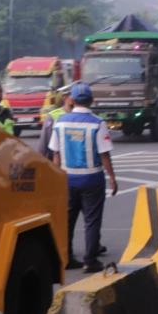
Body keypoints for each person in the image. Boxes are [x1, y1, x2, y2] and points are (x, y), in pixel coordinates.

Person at [49, 82, 118, 273]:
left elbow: (55, 154)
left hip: (67, 179)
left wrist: (56, 179)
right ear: (91, 100)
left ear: (71, 99)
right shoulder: (98, 123)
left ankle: (67, 258)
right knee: (92, 220)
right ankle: (90, 260)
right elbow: (104, 155)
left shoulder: (60, 121)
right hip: (91, 179)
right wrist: (112, 178)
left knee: (68, 220)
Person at [37, 92, 74, 159]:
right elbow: (44, 141)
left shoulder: (84, 115)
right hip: (56, 158)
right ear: (65, 97)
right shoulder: (53, 116)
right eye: (73, 95)